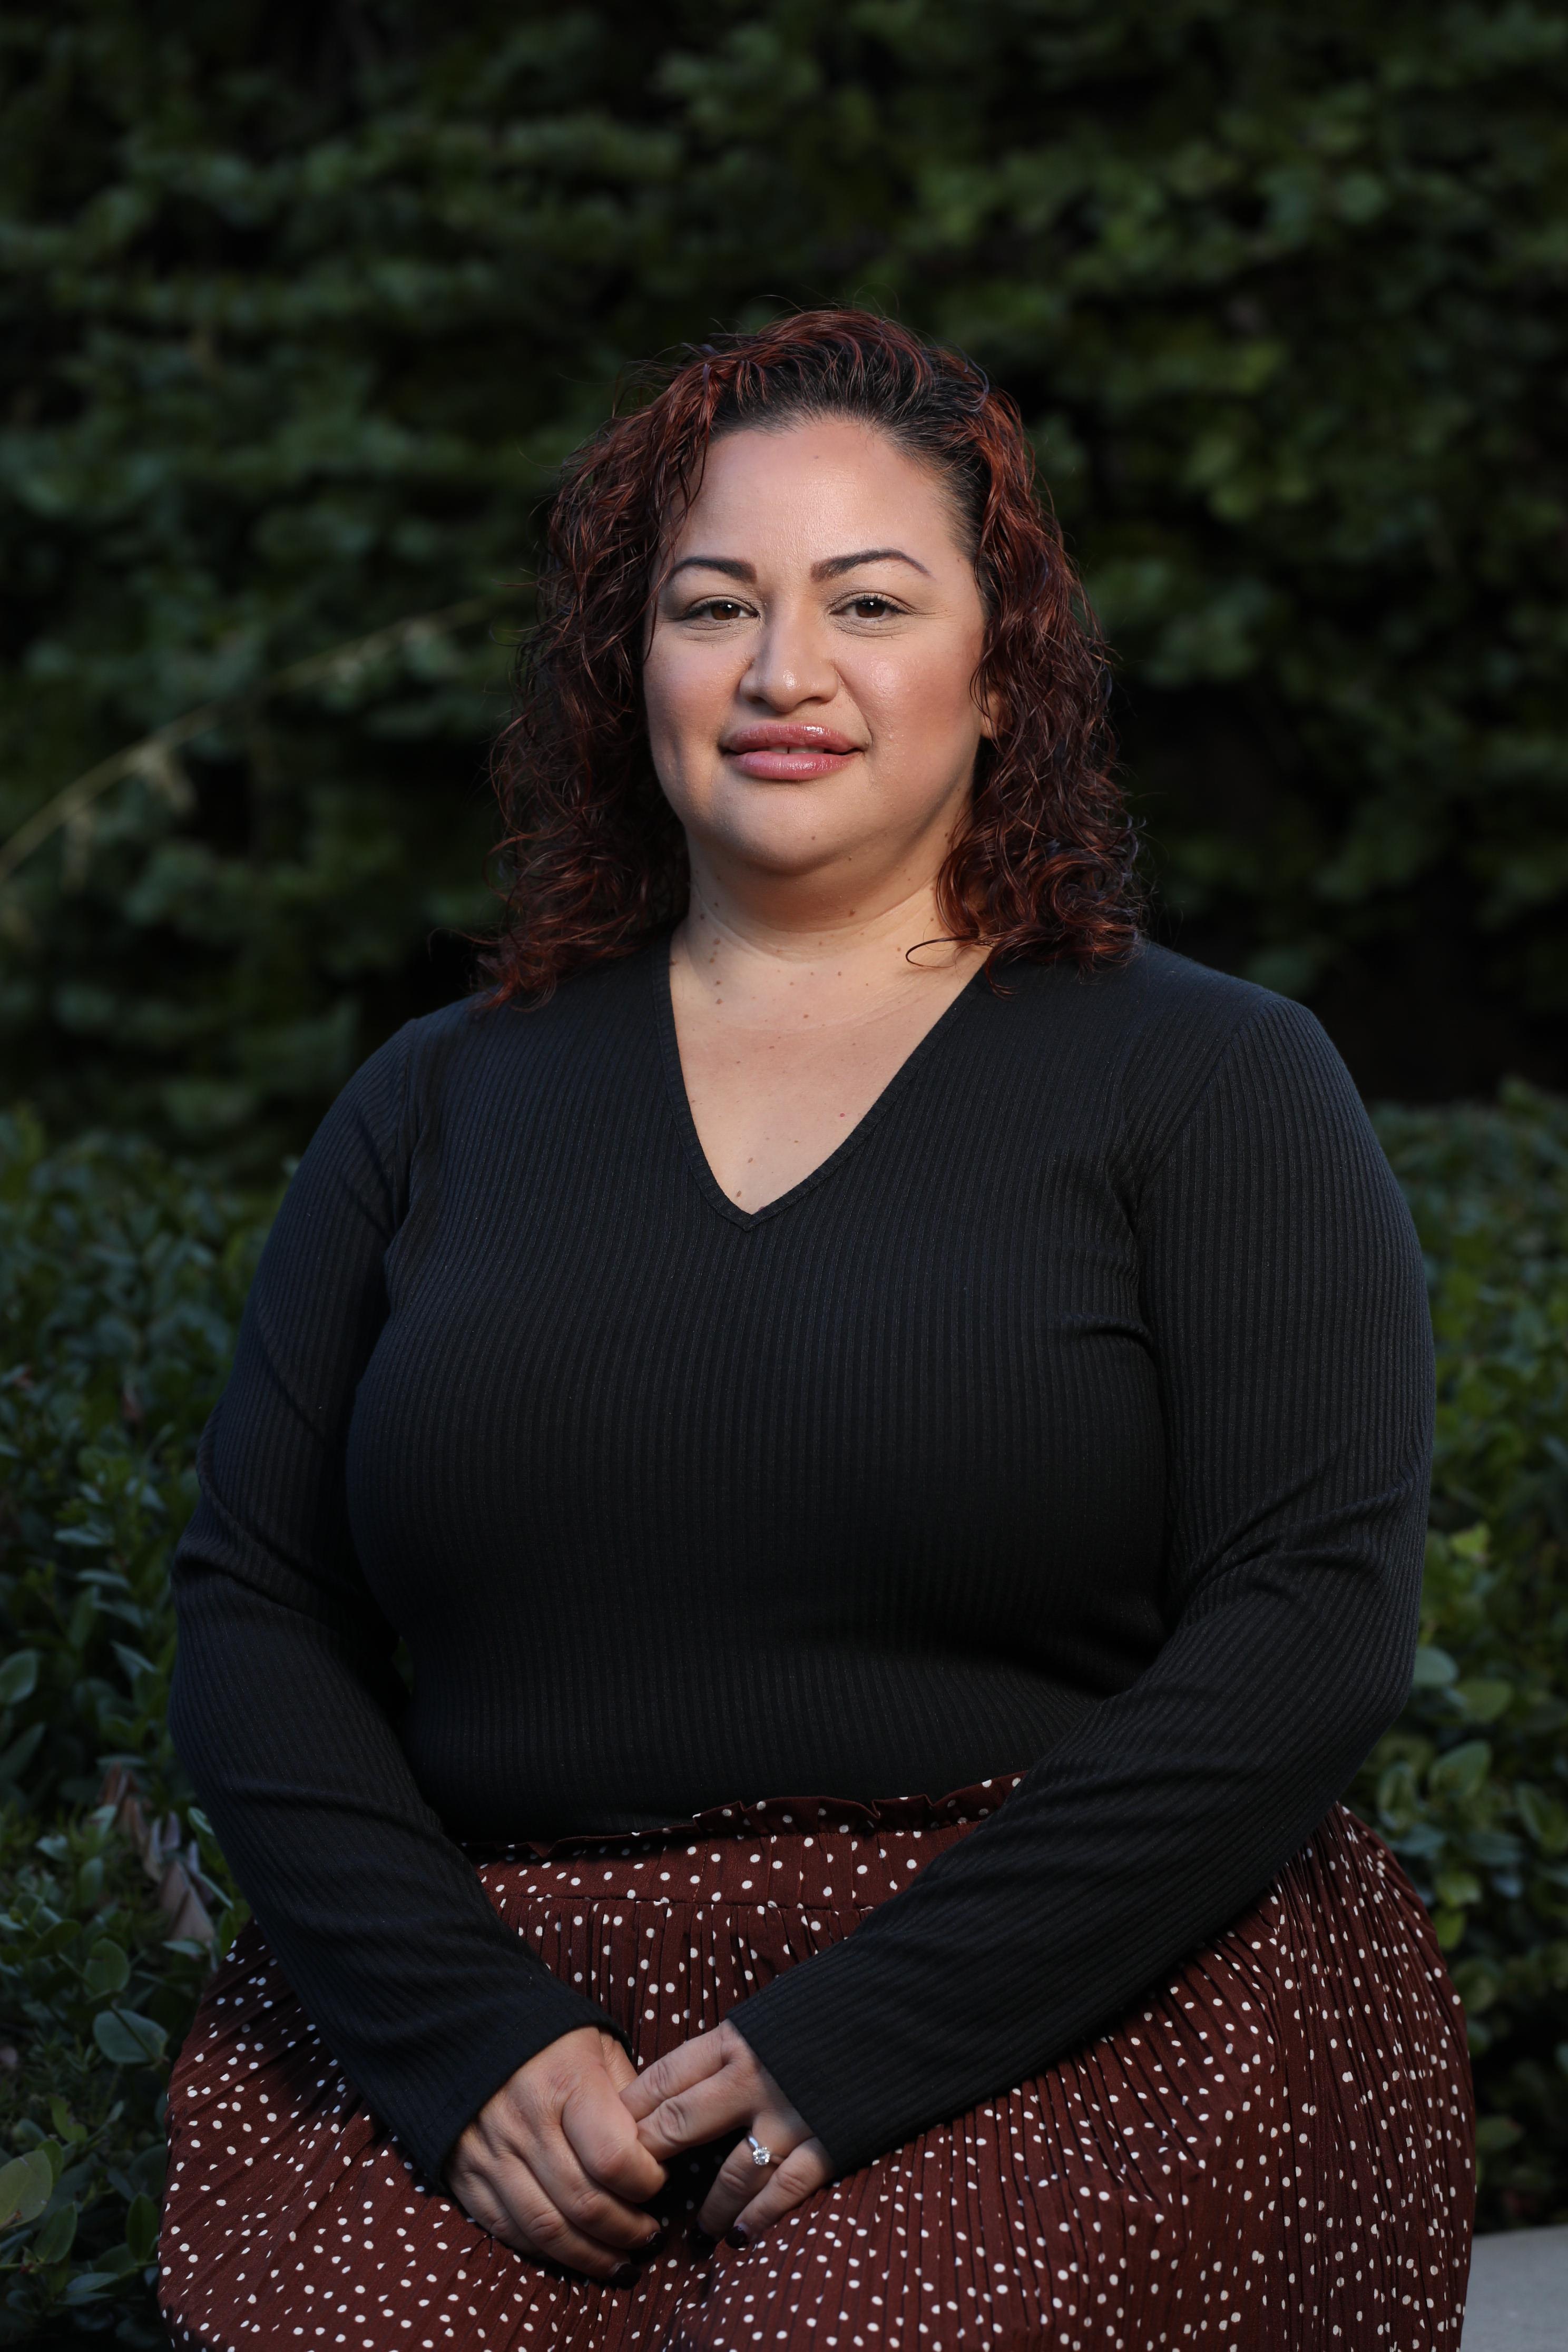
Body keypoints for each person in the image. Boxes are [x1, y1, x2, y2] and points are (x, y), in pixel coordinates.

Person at [158, 311, 1474, 2351]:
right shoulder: (431, 1104)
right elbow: (255, 1603)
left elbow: (1311, 1622)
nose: (784, 672)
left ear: (1000, 667)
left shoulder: (1213, 1084)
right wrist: (463, 2034)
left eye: (870, 602)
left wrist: (864, 2032)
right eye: (714, 607)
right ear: (634, 664)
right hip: (518, 2031)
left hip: (1082, 1982)